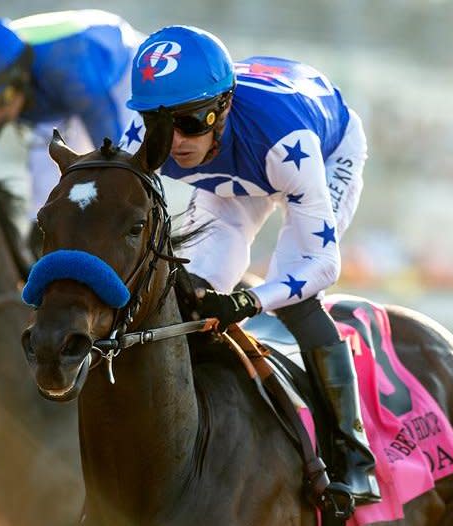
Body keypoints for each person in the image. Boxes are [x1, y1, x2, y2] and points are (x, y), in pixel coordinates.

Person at [121, 25, 379, 516]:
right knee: (192, 288)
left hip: (320, 149)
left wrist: (250, 300)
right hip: (233, 172)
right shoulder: (148, 136)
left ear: (221, 109)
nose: (175, 141)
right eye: (160, 123)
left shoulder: (286, 141)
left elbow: (323, 265)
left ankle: (353, 452)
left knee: (297, 298)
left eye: (191, 122)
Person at [0, 10, 142, 250]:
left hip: (117, 75)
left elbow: (113, 150)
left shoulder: (68, 69)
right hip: (54, 94)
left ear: (21, 77)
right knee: (44, 189)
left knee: (122, 173)